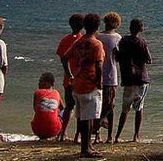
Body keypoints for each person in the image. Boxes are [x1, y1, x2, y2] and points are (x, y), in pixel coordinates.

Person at [65, 12, 105, 158]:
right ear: (97, 27)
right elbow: (99, 66)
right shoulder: (96, 44)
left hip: (77, 83)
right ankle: (86, 148)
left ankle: (86, 146)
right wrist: (99, 82)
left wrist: (70, 75)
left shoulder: (78, 42)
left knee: (82, 118)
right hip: (90, 84)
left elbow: (64, 57)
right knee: (89, 118)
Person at [114, 18, 152, 143]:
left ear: (130, 28)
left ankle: (117, 136)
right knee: (139, 108)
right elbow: (148, 60)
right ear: (141, 29)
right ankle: (136, 136)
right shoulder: (142, 42)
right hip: (141, 78)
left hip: (128, 79)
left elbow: (118, 56)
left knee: (125, 109)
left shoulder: (124, 40)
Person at [56, 13, 84, 141]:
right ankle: (77, 136)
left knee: (69, 107)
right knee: (80, 109)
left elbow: (62, 57)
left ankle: (63, 133)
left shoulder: (64, 40)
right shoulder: (83, 40)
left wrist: (68, 74)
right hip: (80, 79)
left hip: (68, 79)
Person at [97, 12, 122, 143]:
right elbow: (118, 57)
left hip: (97, 75)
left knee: (98, 106)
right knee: (110, 106)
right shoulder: (117, 38)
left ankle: (97, 135)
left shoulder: (97, 36)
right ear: (117, 24)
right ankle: (110, 136)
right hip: (111, 75)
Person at [31, 72, 64, 140]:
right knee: (66, 111)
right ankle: (62, 133)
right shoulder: (56, 93)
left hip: (36, 130)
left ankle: (43, 133)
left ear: (47, 83)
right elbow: (62, 108)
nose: (39, 83)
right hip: (53, 130)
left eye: (41, 81)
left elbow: (35, 109)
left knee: (42, 111)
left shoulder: (37, 92)